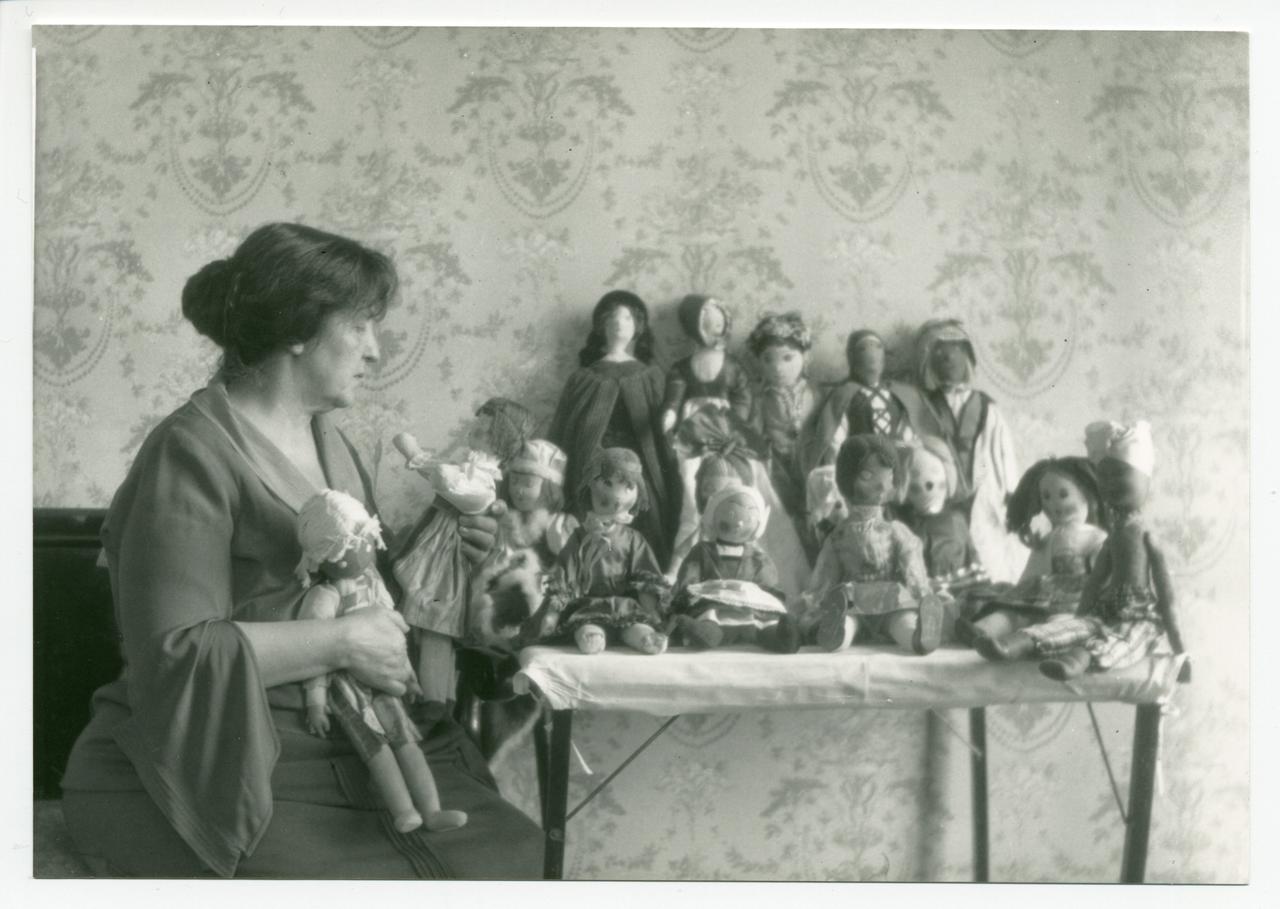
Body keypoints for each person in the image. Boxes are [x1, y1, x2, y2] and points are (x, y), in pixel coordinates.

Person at [59, 222, 543, 879]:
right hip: (219, 749)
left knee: (513, 852)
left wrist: (451, 553)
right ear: (297, 327)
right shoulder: (191, 452)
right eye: (363, 325)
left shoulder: (335, 441)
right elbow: (172, 654)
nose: (376, 349)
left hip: (344, 730)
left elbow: (360, 595)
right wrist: (341, 642)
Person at [547, 290, 681, 565]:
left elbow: (660, 430)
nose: (620, 325)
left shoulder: (649, 376)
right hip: (594, 464)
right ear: (601, 327)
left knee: (648, 513)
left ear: (638, 327)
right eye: (612, 320)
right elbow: (566, 429)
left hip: (640, 467)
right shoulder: (585, 377)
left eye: (628, 319)